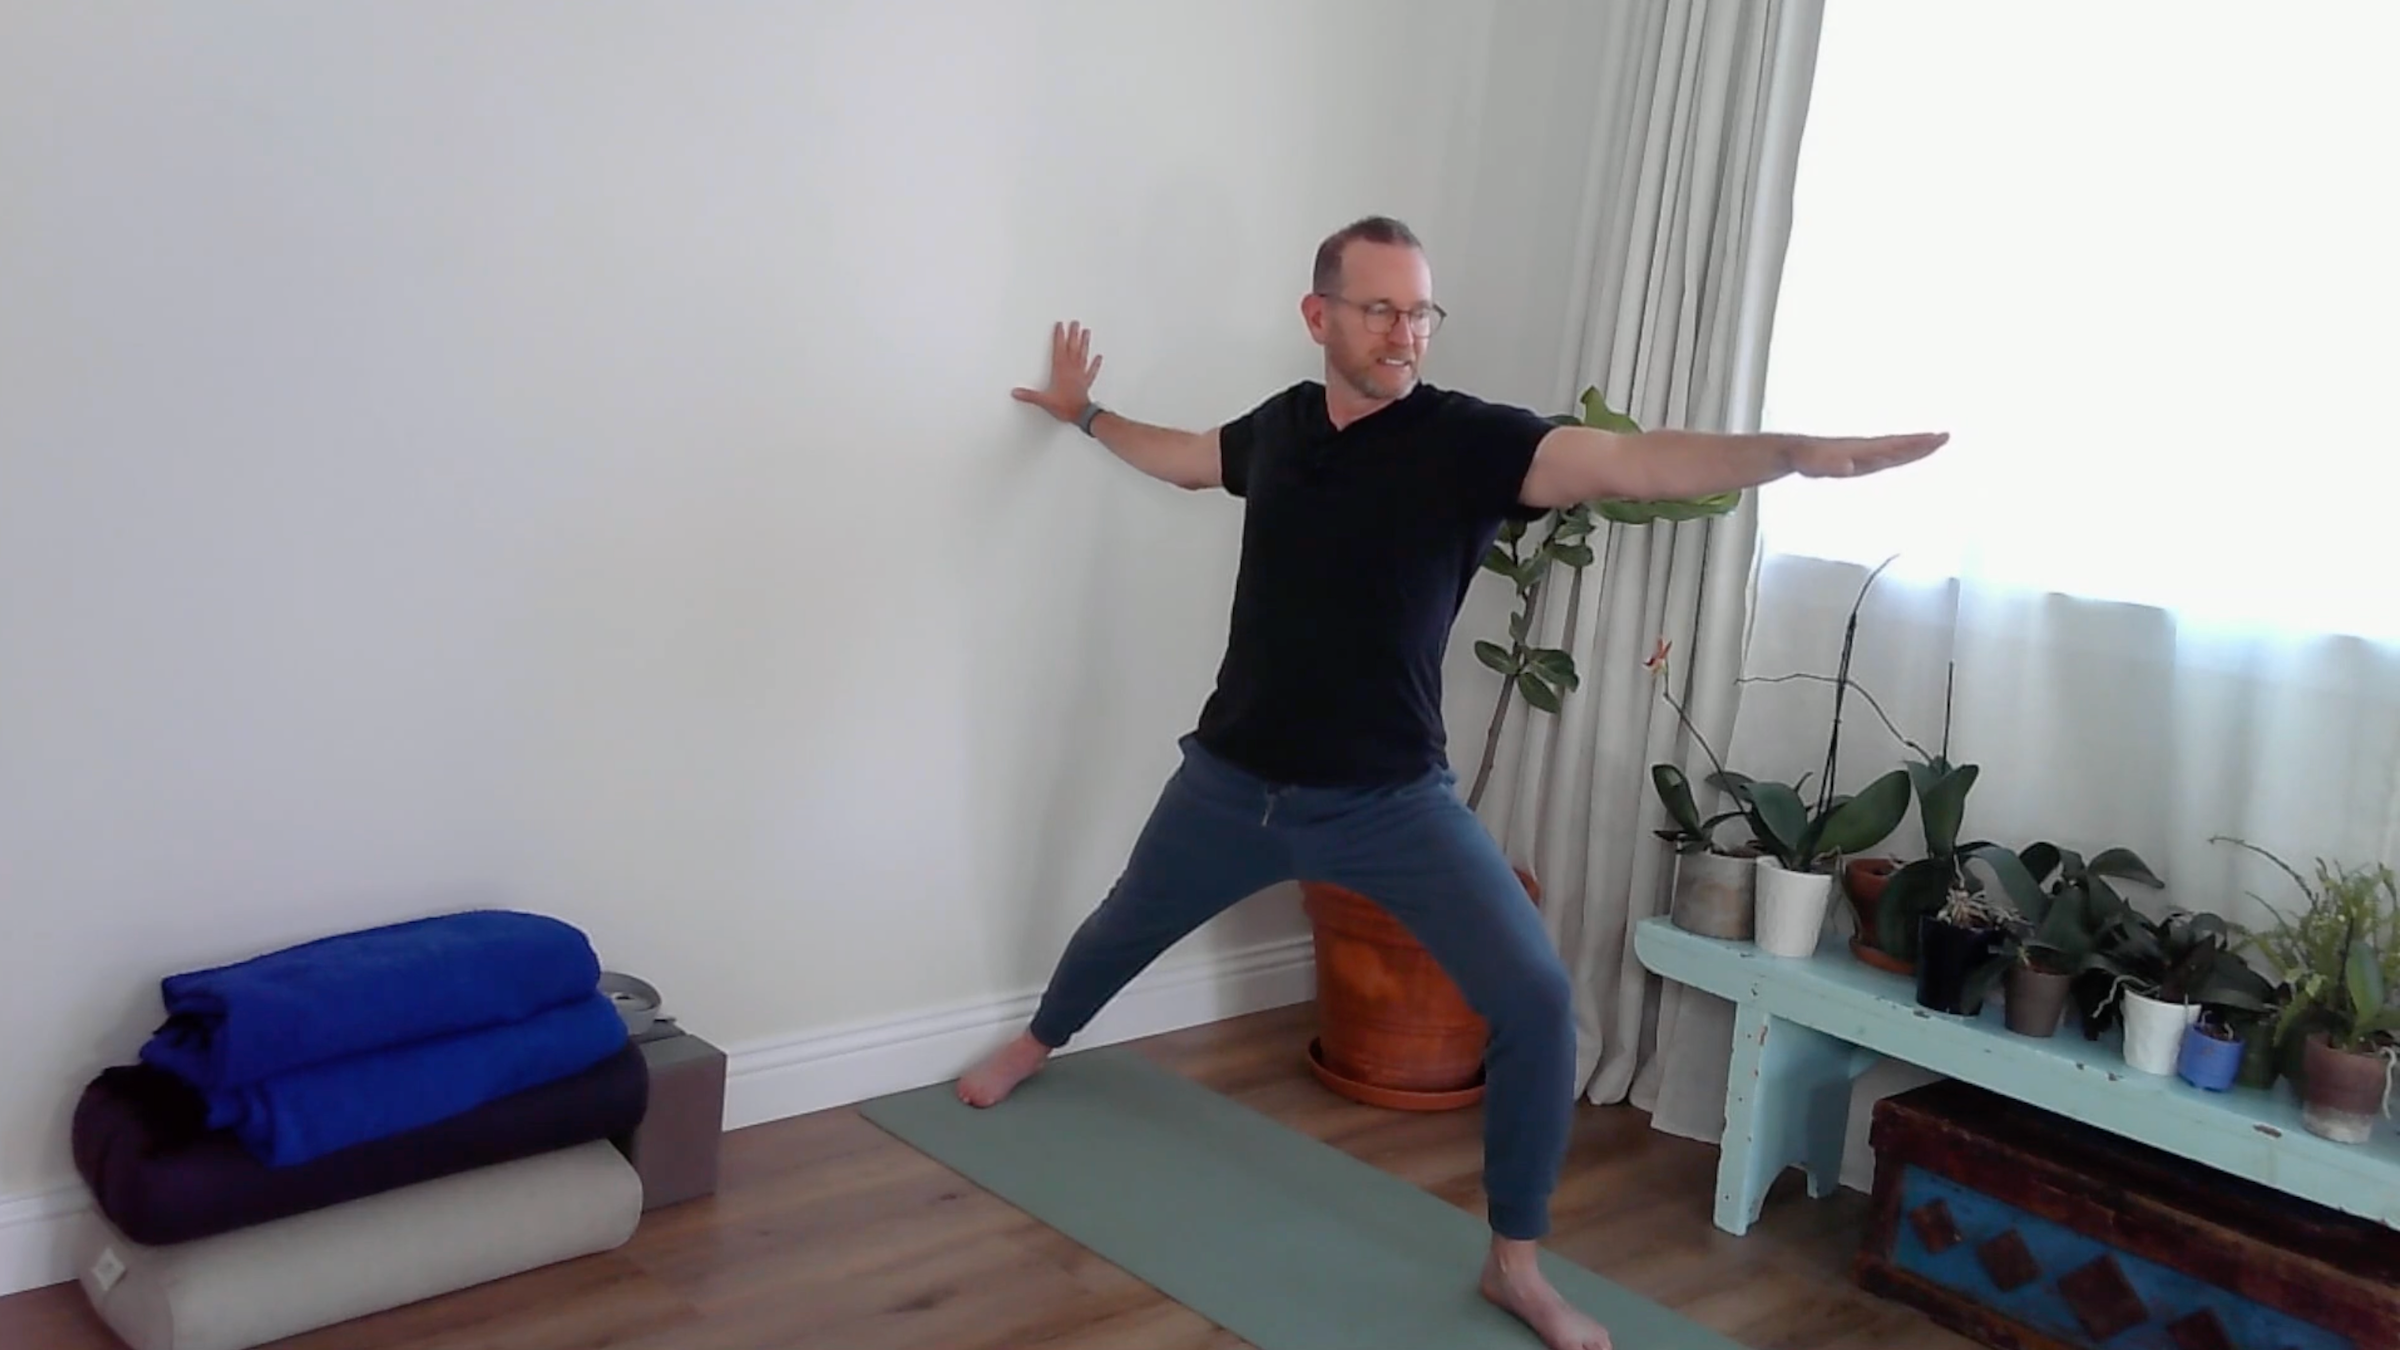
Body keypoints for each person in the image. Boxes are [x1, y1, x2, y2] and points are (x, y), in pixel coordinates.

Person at [966, 215, 1945, 1350]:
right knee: (1121, 925)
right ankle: (1038, 1041)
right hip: (1234, 782)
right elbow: (1186, 459)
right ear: (1318, 315)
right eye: (1380, 309)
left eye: (1421, 311)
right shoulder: (1281, 428)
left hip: (1390, 805)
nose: (1405, 333)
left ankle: (1515, 1267)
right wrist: (1086, 415)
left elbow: (1624, 462)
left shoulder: (1471, 443)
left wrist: (1786, 452)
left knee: (1535, 1005)